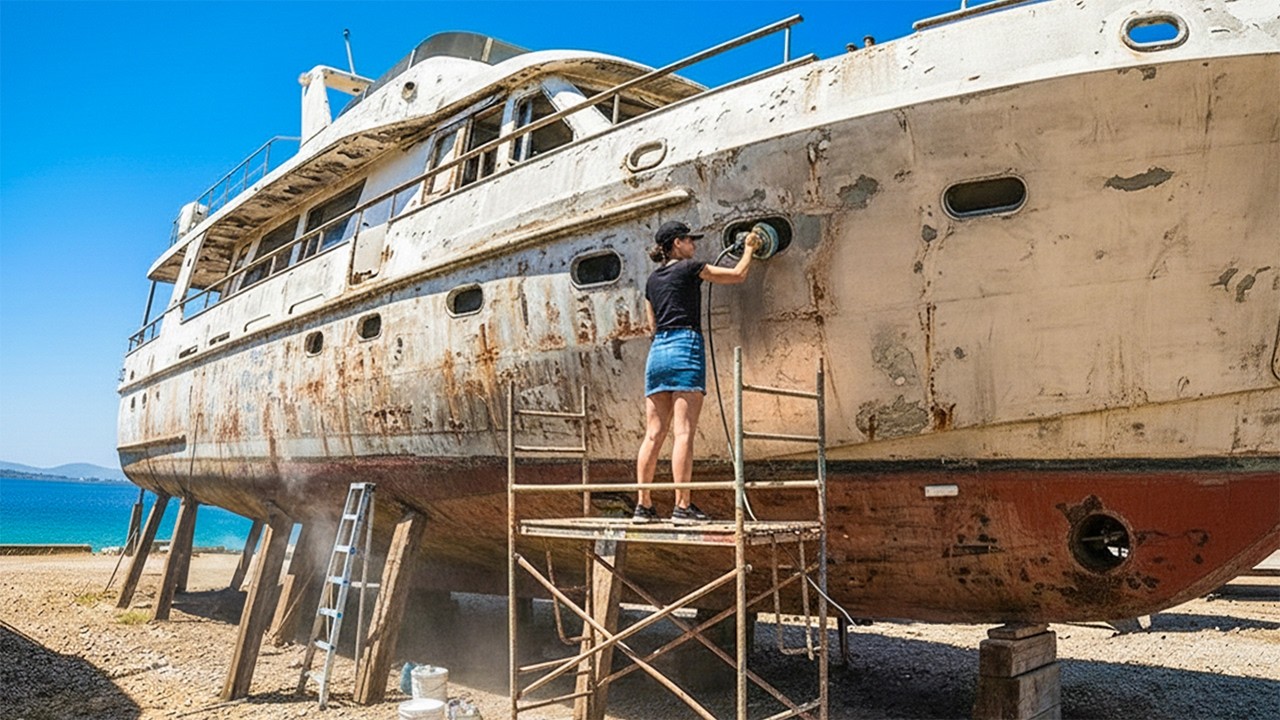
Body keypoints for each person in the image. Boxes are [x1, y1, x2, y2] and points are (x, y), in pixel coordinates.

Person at [634, 220, 762, 523]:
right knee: (683, 432)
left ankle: (644, 506)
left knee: (653, 434)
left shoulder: (652, 281)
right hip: (684, 346)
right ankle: (682, 505)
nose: (694, 245)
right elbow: (737, 275)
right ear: (677, 244)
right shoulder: (691, 268)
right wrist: (749, 249)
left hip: (657, 354)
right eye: (690, 240)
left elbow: (651, 326)